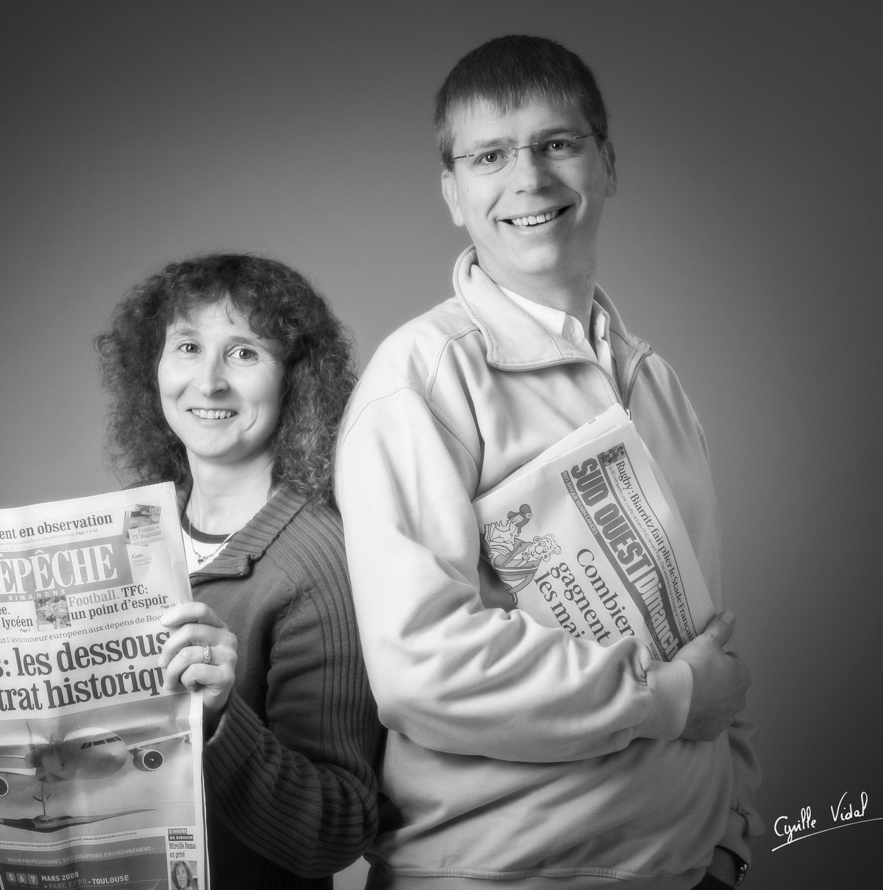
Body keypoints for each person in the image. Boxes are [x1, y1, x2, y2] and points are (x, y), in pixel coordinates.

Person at [335, 36, 761, 890]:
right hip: (502, 876)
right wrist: (670, 700)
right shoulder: (422, 380)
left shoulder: (656, 381)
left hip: (682, 870)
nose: (527, 178)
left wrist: (732, 835)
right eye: (490, 155)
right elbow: (425, 672)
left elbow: (701, 635)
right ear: (453, 191)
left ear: (607, 164)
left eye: (557, 143)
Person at [97, 253, 383, 890]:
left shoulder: (318, 559)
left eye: (244, 353)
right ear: (153, 369)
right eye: (189, 346)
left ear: (295, 380)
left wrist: (221, 719)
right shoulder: (138, 530)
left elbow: (337, 830)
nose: (209, 382)